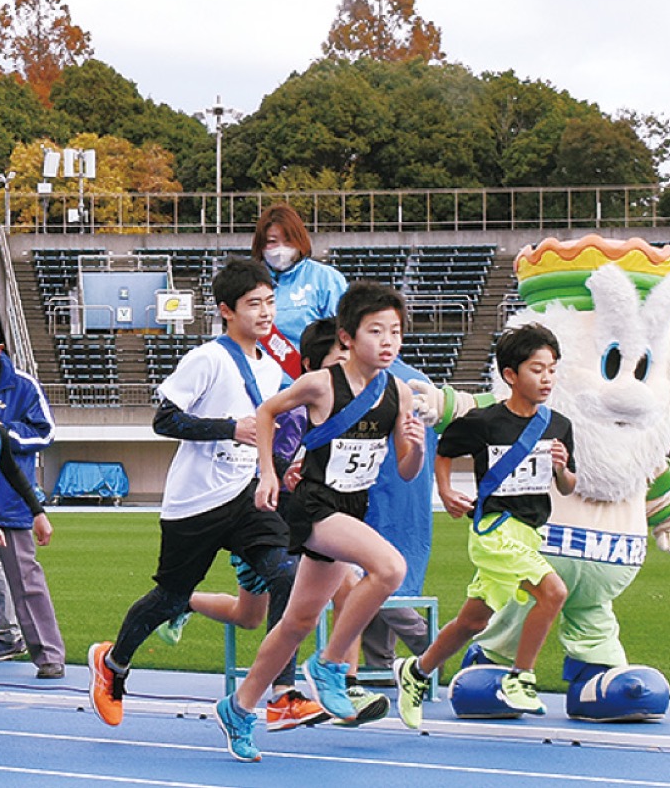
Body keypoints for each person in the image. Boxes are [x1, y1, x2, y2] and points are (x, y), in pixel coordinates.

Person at [215, 280, 425, 762]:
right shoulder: (320, 383)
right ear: (348, 337)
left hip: (351, 508)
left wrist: (411, 443)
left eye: (395, 331)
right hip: (313, 506)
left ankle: (239, 706)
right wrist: (267, 472)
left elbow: (408, 469)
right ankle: (330, 665)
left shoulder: (399, 393)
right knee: (388, 569)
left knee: (296, 621)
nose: (388, 341)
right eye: (376, 331)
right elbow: (267, 412)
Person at [88, 259, 293, 729]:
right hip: (196, 502)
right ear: (226, 310)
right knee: (170, 597)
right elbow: (165, 420)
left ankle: (283, 692)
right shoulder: (208, 358)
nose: (264, 312)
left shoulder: (271, 367)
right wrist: (229, 428)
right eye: (253, 304)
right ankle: (113, 664)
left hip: (244, 496)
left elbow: (262, 433)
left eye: (269, 302)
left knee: (288, 573)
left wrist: (281, 468)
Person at [394, 323, 573, 730]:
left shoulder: (558, 425)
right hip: (495, 530)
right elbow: (446, 449)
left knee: (474, 621)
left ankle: (416, 672)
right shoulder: (485, 421)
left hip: (529, 533)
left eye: (552, 369)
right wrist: (446, 491)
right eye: (536, 369)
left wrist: (562, 468)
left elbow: (569, 484)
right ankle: (521, 680)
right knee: (553, 592)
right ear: (510, 375)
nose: (546, 378)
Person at [0, 318, 65, 679]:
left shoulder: (22, 385)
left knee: (26, 580)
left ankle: (48, 654)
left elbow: (45, 433)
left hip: (10, 500)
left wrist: (4, 434)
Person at [251, 202, 347, 376]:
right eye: (272, 242)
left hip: (310, 384)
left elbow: (344, 335)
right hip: (259, 385)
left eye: (287, 241)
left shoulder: (326, 279)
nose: (280, 249)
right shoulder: (249, 281)